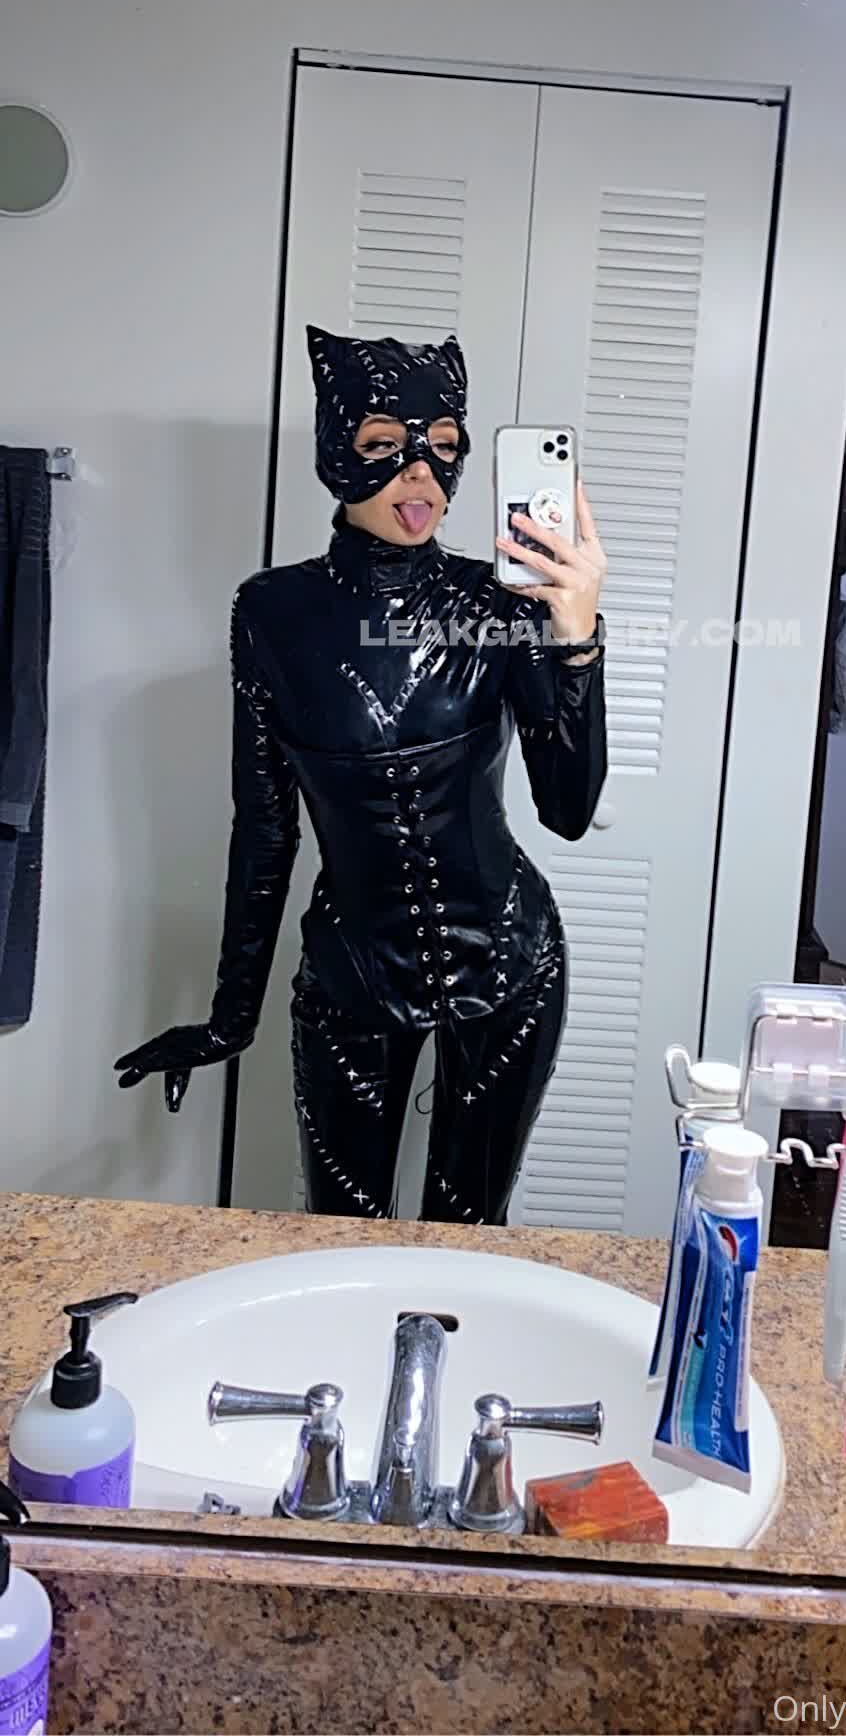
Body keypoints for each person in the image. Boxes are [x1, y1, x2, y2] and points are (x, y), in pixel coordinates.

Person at [116, 327, 607, 1223]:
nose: (421, 474)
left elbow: (568, 811)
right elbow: (266, 827)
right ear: (334, 449)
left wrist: (576, 642)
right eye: (385, 443)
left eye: (444, 446)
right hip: (351, 970)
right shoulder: (273, 612)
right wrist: (231, 1016)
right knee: (341, 1235)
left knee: (469, 1233)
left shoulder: (499, 603)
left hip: (512, 964)